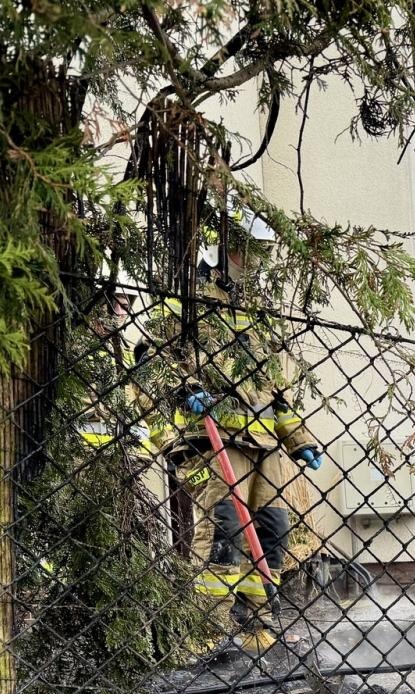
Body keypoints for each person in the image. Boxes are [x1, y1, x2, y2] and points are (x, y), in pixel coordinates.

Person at [142, 204, 323, 655]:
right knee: (224, 530)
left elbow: (275, 387)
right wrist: (184, 390)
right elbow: (151, 358)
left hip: (263, 446)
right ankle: (204, 633)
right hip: (213, 440)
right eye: (248, 251)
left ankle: (256, 625)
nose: (255, 262)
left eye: (261, 252)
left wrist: (298, 439)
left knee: (272, 529)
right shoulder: (186, 297)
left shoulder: (258, 309)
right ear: (222, 246)